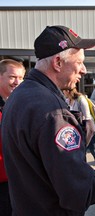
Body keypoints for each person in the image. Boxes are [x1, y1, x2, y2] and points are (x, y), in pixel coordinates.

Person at [1, 25, 95, 216]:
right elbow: (81, 191)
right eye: (80, 62)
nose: (83, 70)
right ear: (58, 62)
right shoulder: (53, 113)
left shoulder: (17, 97)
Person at [0, 59, 25, 216]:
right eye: (12, 77)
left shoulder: (20, 103)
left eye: (21, 78)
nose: (17, 82)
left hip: (18, 179)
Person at [63, 88, 95, 169]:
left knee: (94, 150)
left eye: (64, 91)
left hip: (89, 130)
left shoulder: (81, 99)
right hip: (77, 131)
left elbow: (88, 118)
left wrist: (87, 138)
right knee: (81, 152)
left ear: (68, 91)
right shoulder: (67, 101)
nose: (63, 93)